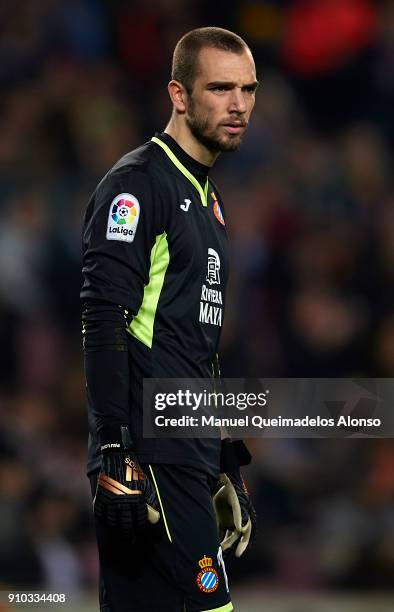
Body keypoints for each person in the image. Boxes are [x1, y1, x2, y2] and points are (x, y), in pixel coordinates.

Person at [81, 26, 258, 612]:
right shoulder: (137, 187)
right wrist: (115, 451)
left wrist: (225, 456)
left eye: (248, 89)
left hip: (186, 450)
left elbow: (195, 345)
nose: (238, 105)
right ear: (178, 95)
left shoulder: (208, 201)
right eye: (220, 88)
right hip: (150, 455)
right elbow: (104, 319)